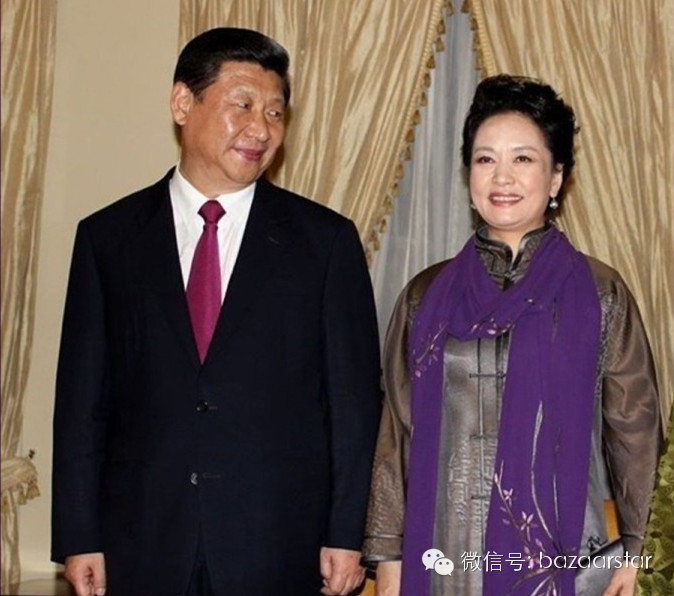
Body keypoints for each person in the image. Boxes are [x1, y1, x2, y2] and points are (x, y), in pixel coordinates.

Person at [51, 27, 381, 596]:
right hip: (142, 539)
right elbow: (82, 404)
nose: (262, 129)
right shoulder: (108, 239)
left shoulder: (324, 242)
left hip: (279, 540)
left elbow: (353, 404)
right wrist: (79, 534)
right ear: (183, 103)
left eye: (275, 113)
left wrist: (347, 533)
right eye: (243, 105)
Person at [363, 74, 662, 596]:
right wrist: (387, 554)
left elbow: (634, 431)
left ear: (556, 177)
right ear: (469, 175)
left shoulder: (600, 292)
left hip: (561, 557)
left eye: (523, 158)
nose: (502, 177)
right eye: (485, 159)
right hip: (444, 558)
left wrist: (642, 551)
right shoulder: (424, 296)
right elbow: (396, 432)